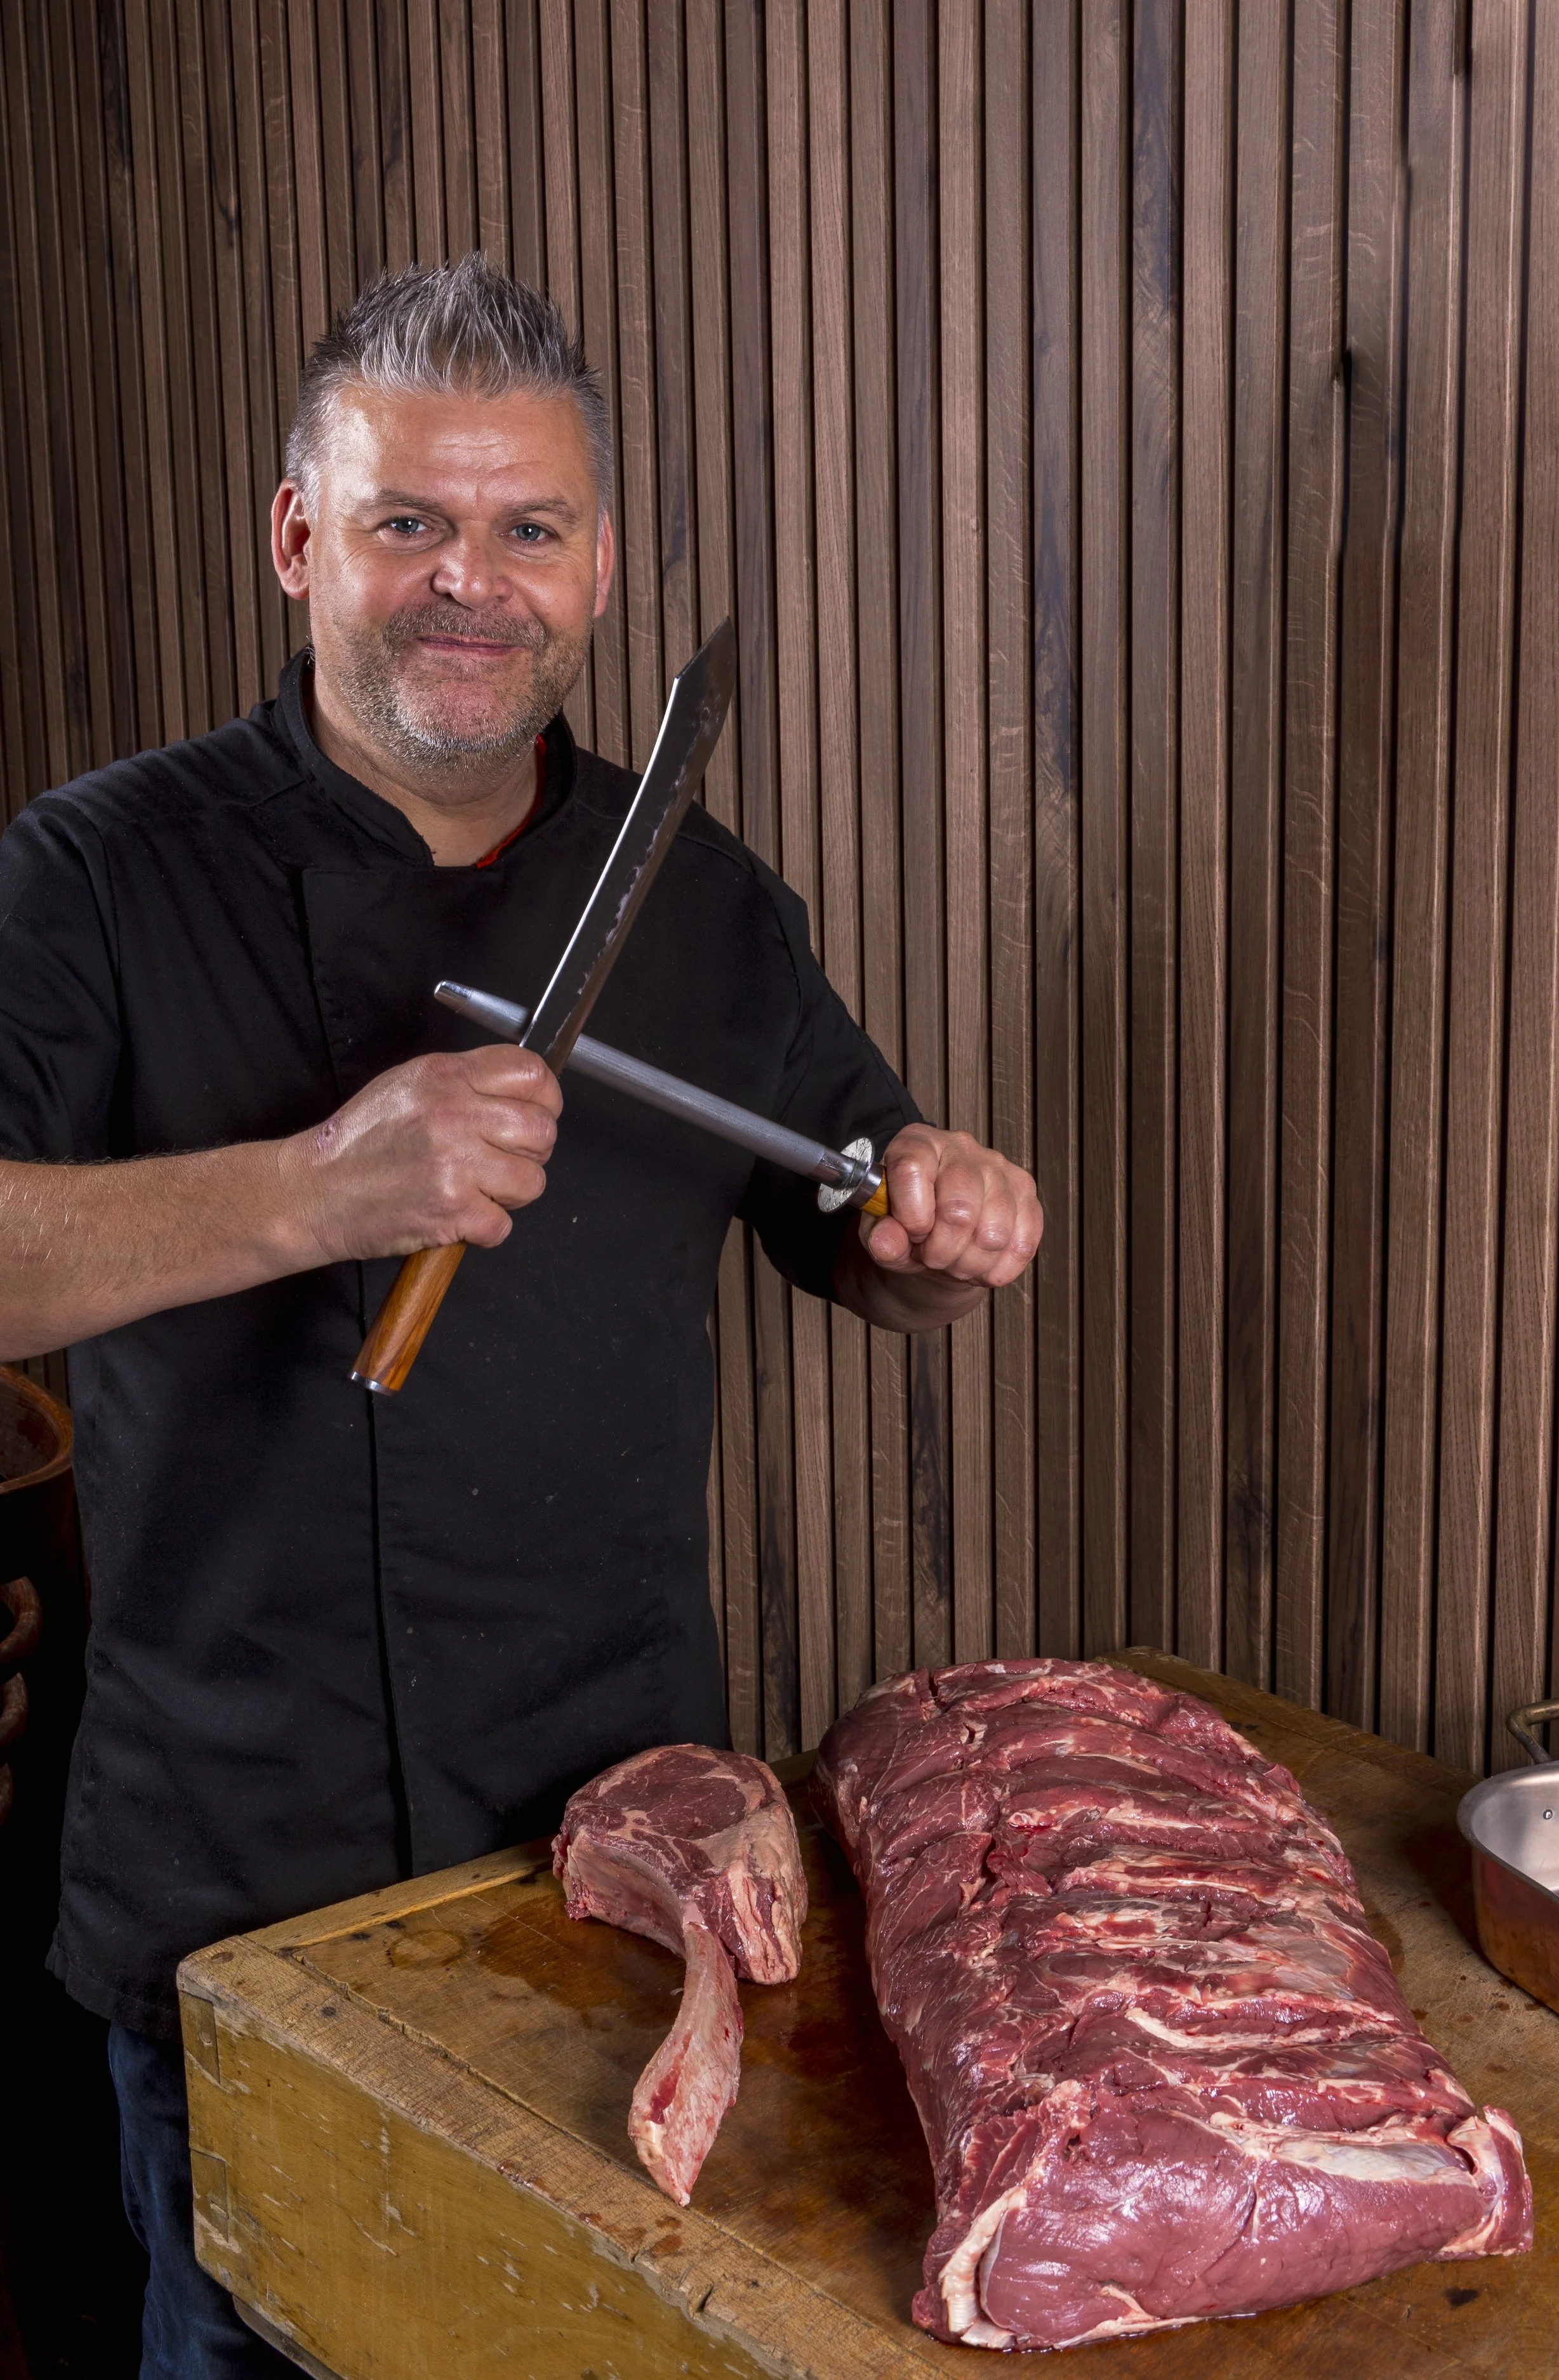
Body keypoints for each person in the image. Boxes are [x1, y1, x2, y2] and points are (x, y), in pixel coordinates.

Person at [0, 255, 1042, 2377]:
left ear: (593, 566)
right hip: (234, 1889)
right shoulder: (91, 876)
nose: (467, 582)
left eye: (525, 528)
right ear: (300, 537)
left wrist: (928, 1225)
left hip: (611, 1885)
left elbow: (852, 1217)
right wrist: (317, 1190)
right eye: (408, 521)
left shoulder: (709, 898)